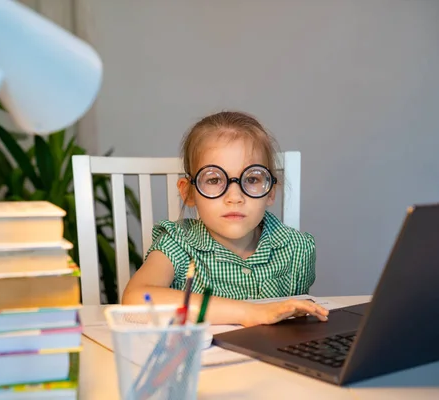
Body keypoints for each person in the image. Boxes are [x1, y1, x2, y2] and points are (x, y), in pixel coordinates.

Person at [122, 111, 328, 327]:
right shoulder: (177, 243)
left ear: (270, 191)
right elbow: (135, 301)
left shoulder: (298, 249)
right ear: (189, 193)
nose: (235, 197)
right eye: (213, 180)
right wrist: (247, 312)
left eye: (251, 179)